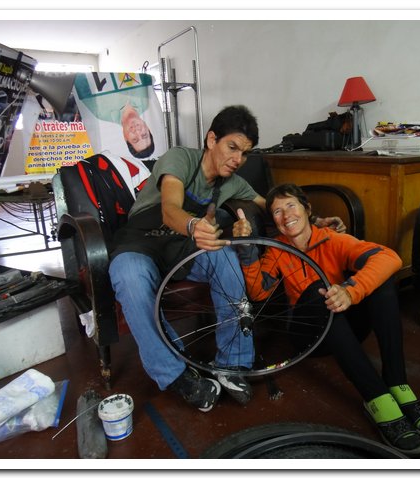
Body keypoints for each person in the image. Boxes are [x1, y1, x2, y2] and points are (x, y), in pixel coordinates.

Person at [108, 106, 345, 412]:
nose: (238, 159)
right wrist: (194, 225)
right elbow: (169, 209)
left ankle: (233, 363)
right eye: (232, 147)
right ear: (211, 140)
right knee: (128, 278)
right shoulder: (180, 158)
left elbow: (275, 208)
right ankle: (176, 375)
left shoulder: (232, 183)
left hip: (183, 246)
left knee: (225, 255)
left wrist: (314, 222)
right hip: (141, 242)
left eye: (245, 153)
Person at [235, 183, 420, 457]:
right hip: (309, 336)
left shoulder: (331, 239)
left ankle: (397, 382)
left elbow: (389, 257)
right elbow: (259, 292)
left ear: (307, 209)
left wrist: (350, 291)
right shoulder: (277, 250)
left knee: (382, 282)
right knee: (317, 291)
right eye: (277, 212)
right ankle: (377, 397)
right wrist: (247, 248)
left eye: (291, 205)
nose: (285, 215)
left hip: (346, 329)